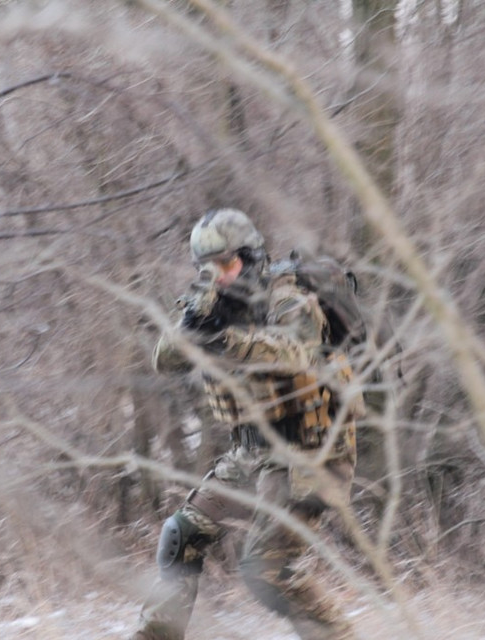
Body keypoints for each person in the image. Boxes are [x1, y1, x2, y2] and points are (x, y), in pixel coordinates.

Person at [131, 208, 365, 640]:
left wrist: (225, 340)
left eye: (225, 263)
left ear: (251, 255)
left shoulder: (287, 295)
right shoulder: (215, 300)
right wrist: (192, 324)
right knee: (182, 536)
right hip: (252, 451)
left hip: (310, 447)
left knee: (266, 570)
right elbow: (164, 360)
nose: (217, 274)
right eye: (207, 267)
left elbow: (295, 350)